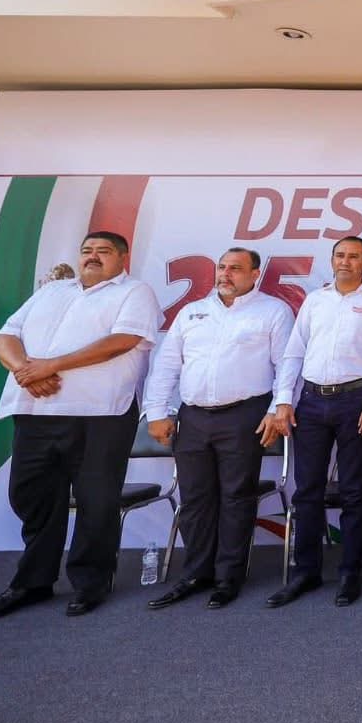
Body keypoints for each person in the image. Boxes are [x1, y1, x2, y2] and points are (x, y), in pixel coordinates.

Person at [0, 231, 162, 625]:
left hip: (100, 414)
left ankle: (91, 583)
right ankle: (32, 582)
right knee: (32, 495)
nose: (93, 256)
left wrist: (51, 366)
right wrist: (24, 371)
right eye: (87, 250)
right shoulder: (52, 291)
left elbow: (122, 341)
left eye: (103, 251)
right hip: (35, 409)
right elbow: (5, 337)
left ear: (123, 257)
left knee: (96, 500)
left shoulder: (134, 292)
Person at [143, 248, 295, 610]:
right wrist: (156, 412)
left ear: (255, 274)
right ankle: (196, 574)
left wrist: (276, 410)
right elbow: (166, 364)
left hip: (245, 414)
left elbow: (287, 365)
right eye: (222, 267)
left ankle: (228, 577)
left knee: (236, 498)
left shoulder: (273, 311)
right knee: (195, 499)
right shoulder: (192, 312)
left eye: (235, 269)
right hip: (193, 416)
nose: (225, 274)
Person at [266, 236, 362, 608]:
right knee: (307, 490)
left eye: (353, 257)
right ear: (332, 260)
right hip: (311, 401)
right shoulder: (315, 300)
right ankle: (305, 572)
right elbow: (294, 353)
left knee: (353, 491)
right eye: (340, 255)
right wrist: (283, 400)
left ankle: (350, 573)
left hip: (356, 401)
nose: (345, 262)